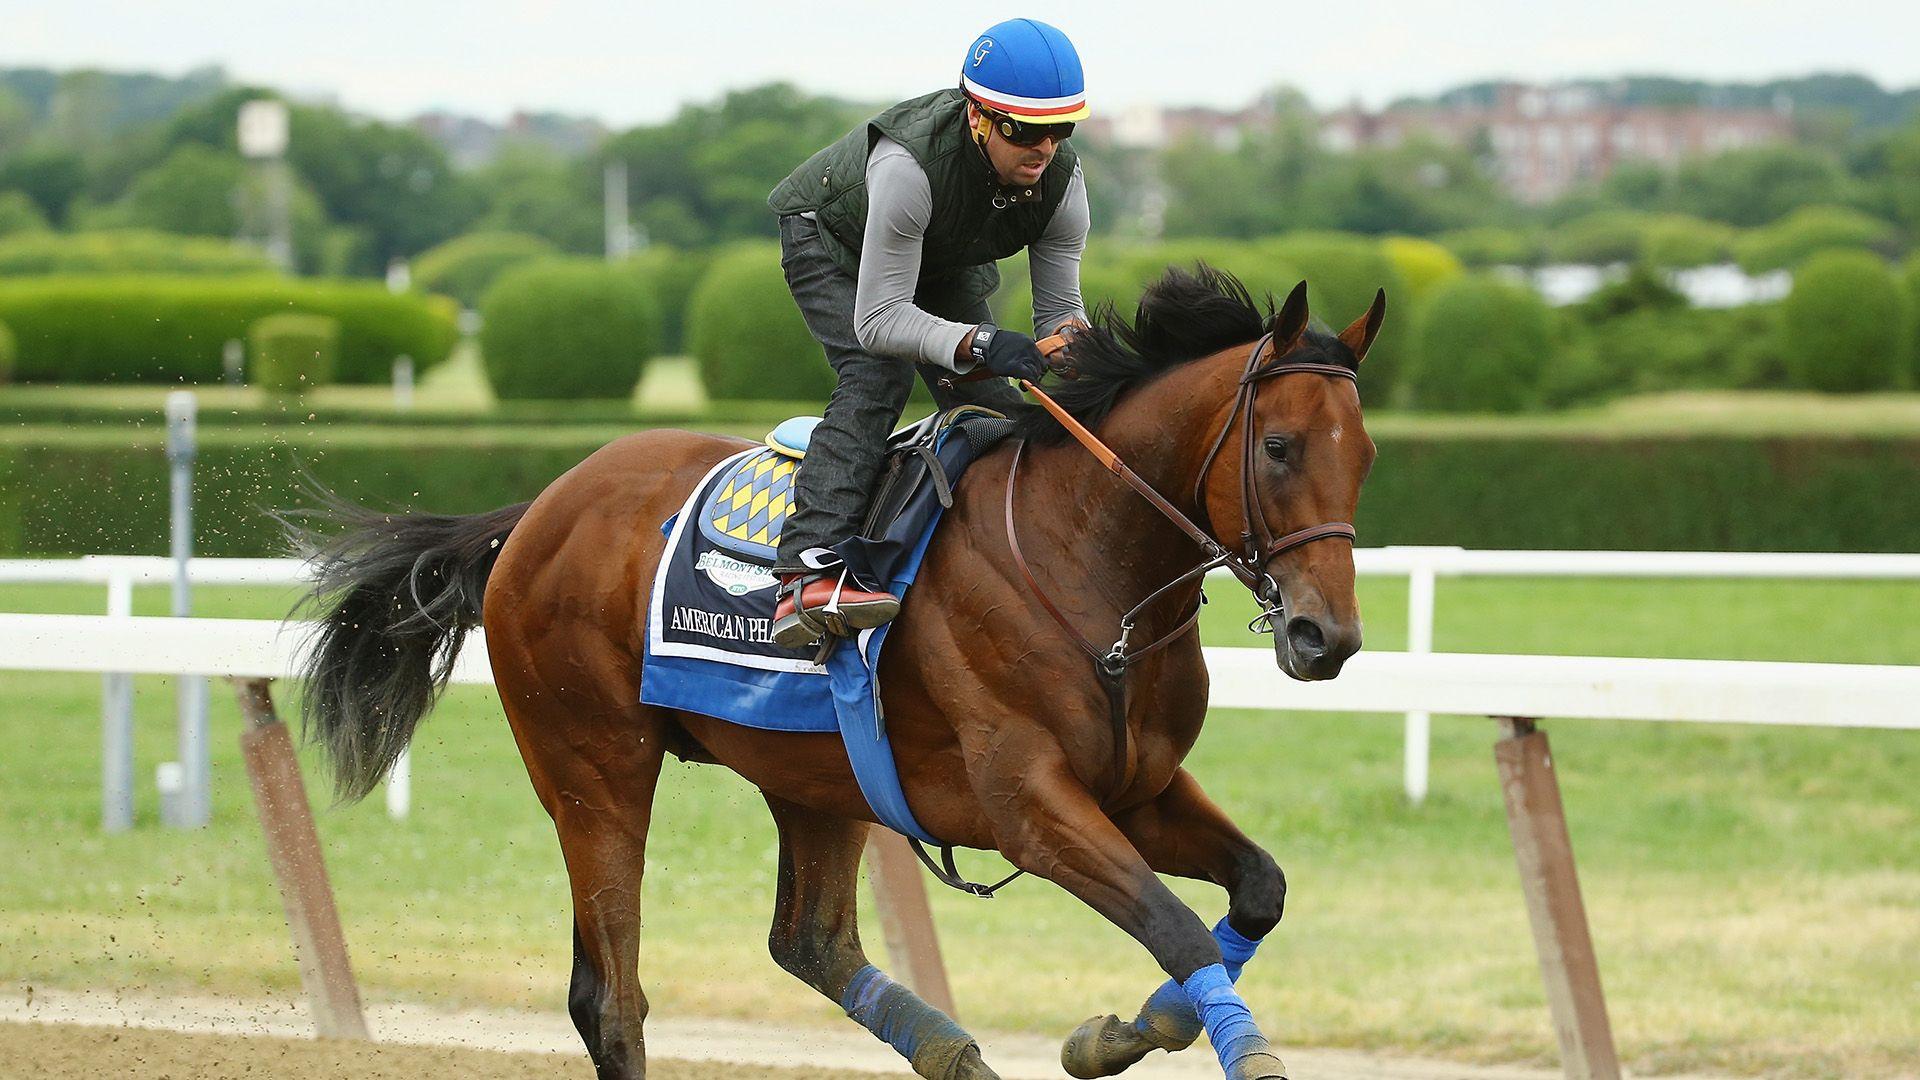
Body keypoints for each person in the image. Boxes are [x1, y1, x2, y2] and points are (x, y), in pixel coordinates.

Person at [764, 17, 1092, 648]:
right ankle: (806, 573)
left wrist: (1077, 350)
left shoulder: (1063, 184)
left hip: (943, 256)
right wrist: (984, 345)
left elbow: (1060, 311)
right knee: (876, 371)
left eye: (1059, 130)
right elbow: (881, 318)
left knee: (994, 406)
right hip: (833, 243)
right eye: (1024, 130)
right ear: (977, 118)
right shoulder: (907, 168)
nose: (1043, 150)